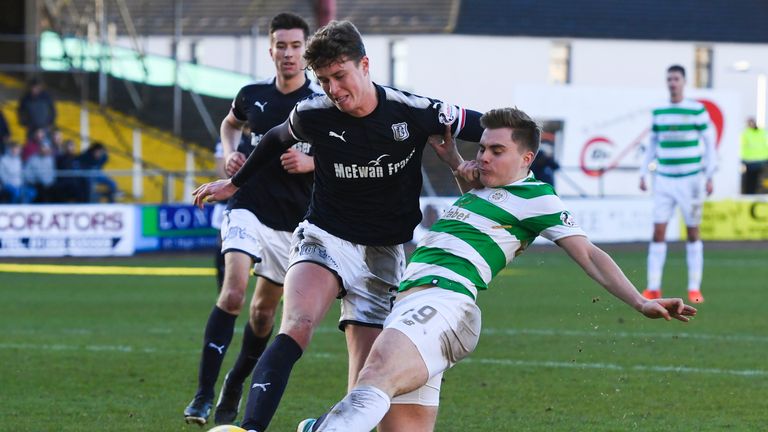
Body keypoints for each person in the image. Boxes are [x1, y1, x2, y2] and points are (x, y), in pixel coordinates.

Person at [296, 107, 698, 432]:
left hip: (443, 305)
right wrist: (454, 159)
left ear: (526, 158)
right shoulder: (484, 192)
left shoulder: (539, 198)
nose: (484, 155)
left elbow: (590, 254)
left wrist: (641, 303)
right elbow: (479, 217)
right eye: (483, 147)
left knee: (376, 373)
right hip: (416, 309)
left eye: (497, 151)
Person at [191, 20, 484, 432]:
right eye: (324, 80)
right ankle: (250, 427)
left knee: (366, 384)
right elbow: (275, 138)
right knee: (298, 324)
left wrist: (488, 165)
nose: (333, 89)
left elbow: (489, 126)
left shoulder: (415, 111)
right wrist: (233, 184)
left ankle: (318, 428)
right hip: (325, 235)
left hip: (383, 254)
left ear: (365, 65)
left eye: (340, 76)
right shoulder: (313, 113)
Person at [183, 13, 323, 427]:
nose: (288, 53)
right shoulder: (251, 95)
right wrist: (227, 152)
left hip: (293, 223)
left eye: (296, 46)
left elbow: (341, 153)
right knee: (233, 292)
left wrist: (312, 161)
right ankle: (203, 395)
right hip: (248, 205)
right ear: (271, 50)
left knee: (264, 316)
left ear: (307, 52)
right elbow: (230, 126)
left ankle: (234, 383)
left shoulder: (320, 103)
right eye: (281, 45)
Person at [639, 65, 716, 304]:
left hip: (691, 179)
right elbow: (652, 145)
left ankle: (694, 287)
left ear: (684, 81)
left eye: (676, 79)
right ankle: (653, 287)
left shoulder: (696, 110)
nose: (672, 82)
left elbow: (710, 142)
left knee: (693, 231)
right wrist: (643, 172)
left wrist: (710, 174)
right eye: (669, 79)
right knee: (658, 230)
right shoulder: (660, 111)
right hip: (664, 178)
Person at [740, 117, 768, 194]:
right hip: (750, 162)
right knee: (750, 181)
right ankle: (750, 195)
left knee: (762, 182)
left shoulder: (762, 132)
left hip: (762, 161)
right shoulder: (745, 133)